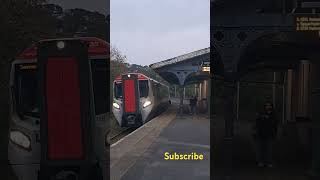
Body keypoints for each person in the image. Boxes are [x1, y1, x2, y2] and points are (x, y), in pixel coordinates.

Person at [252, 101, 279, 168]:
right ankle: (260, 162)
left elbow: (275, 125)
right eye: (267, 106)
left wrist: (274, 133)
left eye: (269, 106)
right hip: (261, 134)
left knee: (269, 150)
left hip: (269, 135)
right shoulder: (261, 114)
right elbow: (257, 123)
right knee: (260, 149)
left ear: (271, 107)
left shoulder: (273, 115)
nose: (268, 107)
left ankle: (268, 162)